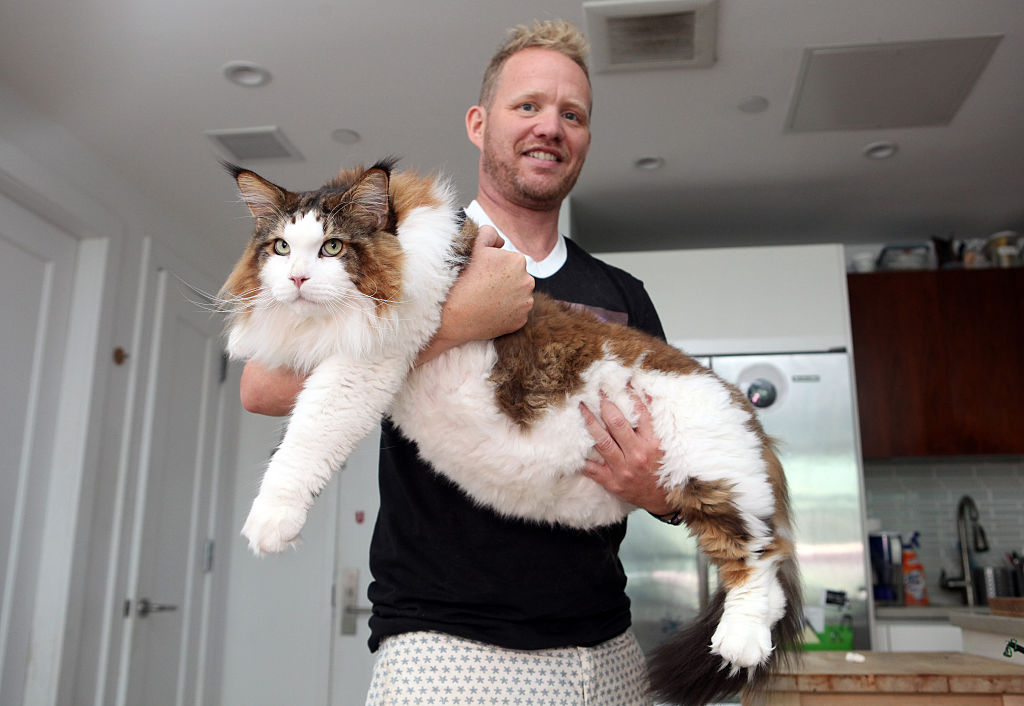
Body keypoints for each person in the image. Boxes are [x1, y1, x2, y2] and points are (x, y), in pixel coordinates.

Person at [240, 20, 675, 705]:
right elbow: (262, 386)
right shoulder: (399, 251)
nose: (550, 127)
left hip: (608, 647)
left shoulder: (624, 296)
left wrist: (660, 493)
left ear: (586, 139)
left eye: (572, 114)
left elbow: (677, 462)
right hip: (447, 643)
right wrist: (456, 321)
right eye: (527, 105)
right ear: (479, 123)